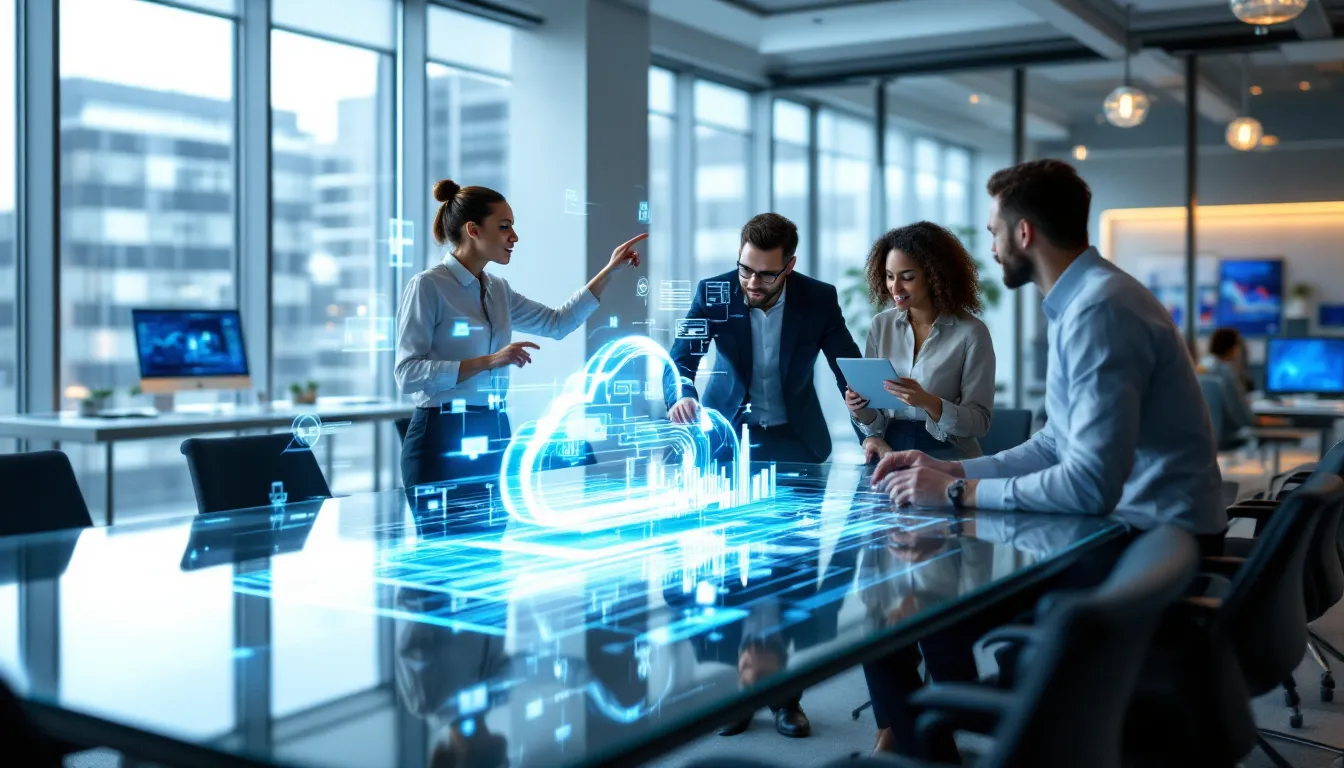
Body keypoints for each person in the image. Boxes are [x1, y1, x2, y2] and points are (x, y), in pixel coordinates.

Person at [862, 158, 1226, 758]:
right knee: (916, 605)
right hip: (1140, 532)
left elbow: (1088, 486)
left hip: (1141, 543)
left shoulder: (1098, 311)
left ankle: (944, 739)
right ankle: (942, 737)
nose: (992, 247)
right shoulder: (1088, 300)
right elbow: (1056, 443)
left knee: (920, 607)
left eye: (994, 232)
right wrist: (955, 469)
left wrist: (955, 492)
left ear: (1023, 232)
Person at [395, 179, 646, 499]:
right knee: (444, 533)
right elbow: (407, 374)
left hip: (494, 430)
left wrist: (610, 271)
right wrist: (489, 361)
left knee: (493, 531)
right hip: (440, 438)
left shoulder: (498, 290)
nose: (514, 236)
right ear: (473, 230)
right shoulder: (428, 286)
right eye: (504, 227)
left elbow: (557, 323)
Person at [665, 213, 861, 466]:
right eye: (746, 269)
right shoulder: (713, 293)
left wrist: (869, 436)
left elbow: (850, 370)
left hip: (798, 439)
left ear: (789, 266)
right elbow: (681, 360)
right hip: (726, 435)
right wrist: (683, 396)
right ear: (740, 254)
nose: (753, 283)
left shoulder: (818, 299)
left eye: (767, 274)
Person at [844, 222, 996, 464]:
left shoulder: (972, 333)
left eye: (908, 277)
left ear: (935, 276)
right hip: (891, 450)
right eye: (889, 276)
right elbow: (877, 423)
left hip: (948, 454)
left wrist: (927, 401)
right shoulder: (881, 325)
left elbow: (979, 423)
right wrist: (859, 408)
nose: (895, 287)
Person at [1198, 327, 1257, 448]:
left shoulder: (1201, 367)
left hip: (1202, 437)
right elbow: (1242, 416)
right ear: (1233, 348)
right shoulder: (1225, 371)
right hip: (1226, 437)